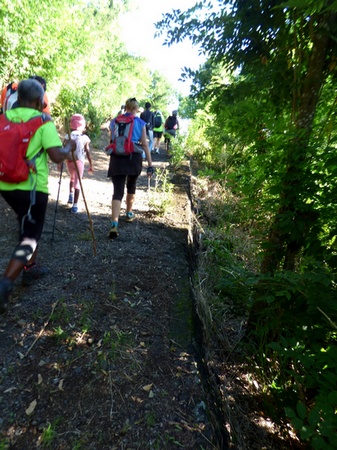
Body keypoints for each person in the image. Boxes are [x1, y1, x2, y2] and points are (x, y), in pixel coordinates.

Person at [0, 79, 76, 315]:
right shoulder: (43, 122)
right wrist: (69, 147)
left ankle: (29, 269)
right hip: (32, 188)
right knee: (29, 237)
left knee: (25, 222)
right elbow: (56, 156)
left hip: (5, 186)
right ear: (38, 101)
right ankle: (5, 284)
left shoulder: (3, 119)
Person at [107, 97, 154, 239]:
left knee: (117, 191)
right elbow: (145, 144)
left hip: (117, 157)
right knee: (131, 184)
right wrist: (150, 164)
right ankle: (128, 213)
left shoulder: (115, 121)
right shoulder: (140, 122)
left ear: (126, 107)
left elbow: (111, 140)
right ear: (136, 109)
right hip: (134, 157)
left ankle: (114, 224)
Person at [65, 114, 93, 213]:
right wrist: (90, 164)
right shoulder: (85, 137)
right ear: (83, 126)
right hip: (79, 161)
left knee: (72, 178)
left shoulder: (68, 135)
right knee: (78, 182)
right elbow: (87, 152)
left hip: (69, 160)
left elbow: (63, 148)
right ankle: (75, 205)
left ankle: (70, 195)